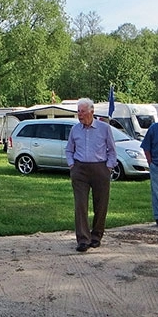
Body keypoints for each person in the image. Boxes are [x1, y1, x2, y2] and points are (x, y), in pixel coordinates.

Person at [65, 97, 117, 252]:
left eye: (82, 111)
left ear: (91, 112)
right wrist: (72, 165)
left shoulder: (104, 128)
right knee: (80, 205)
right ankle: (83, 239)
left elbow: (112, 151)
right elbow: (69, 149)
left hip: (100, 168)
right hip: (80, 169)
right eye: (78, 112)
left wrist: (108, 167)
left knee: (100, 205)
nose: (80, 115)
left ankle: (96, 236)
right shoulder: (75, 129)